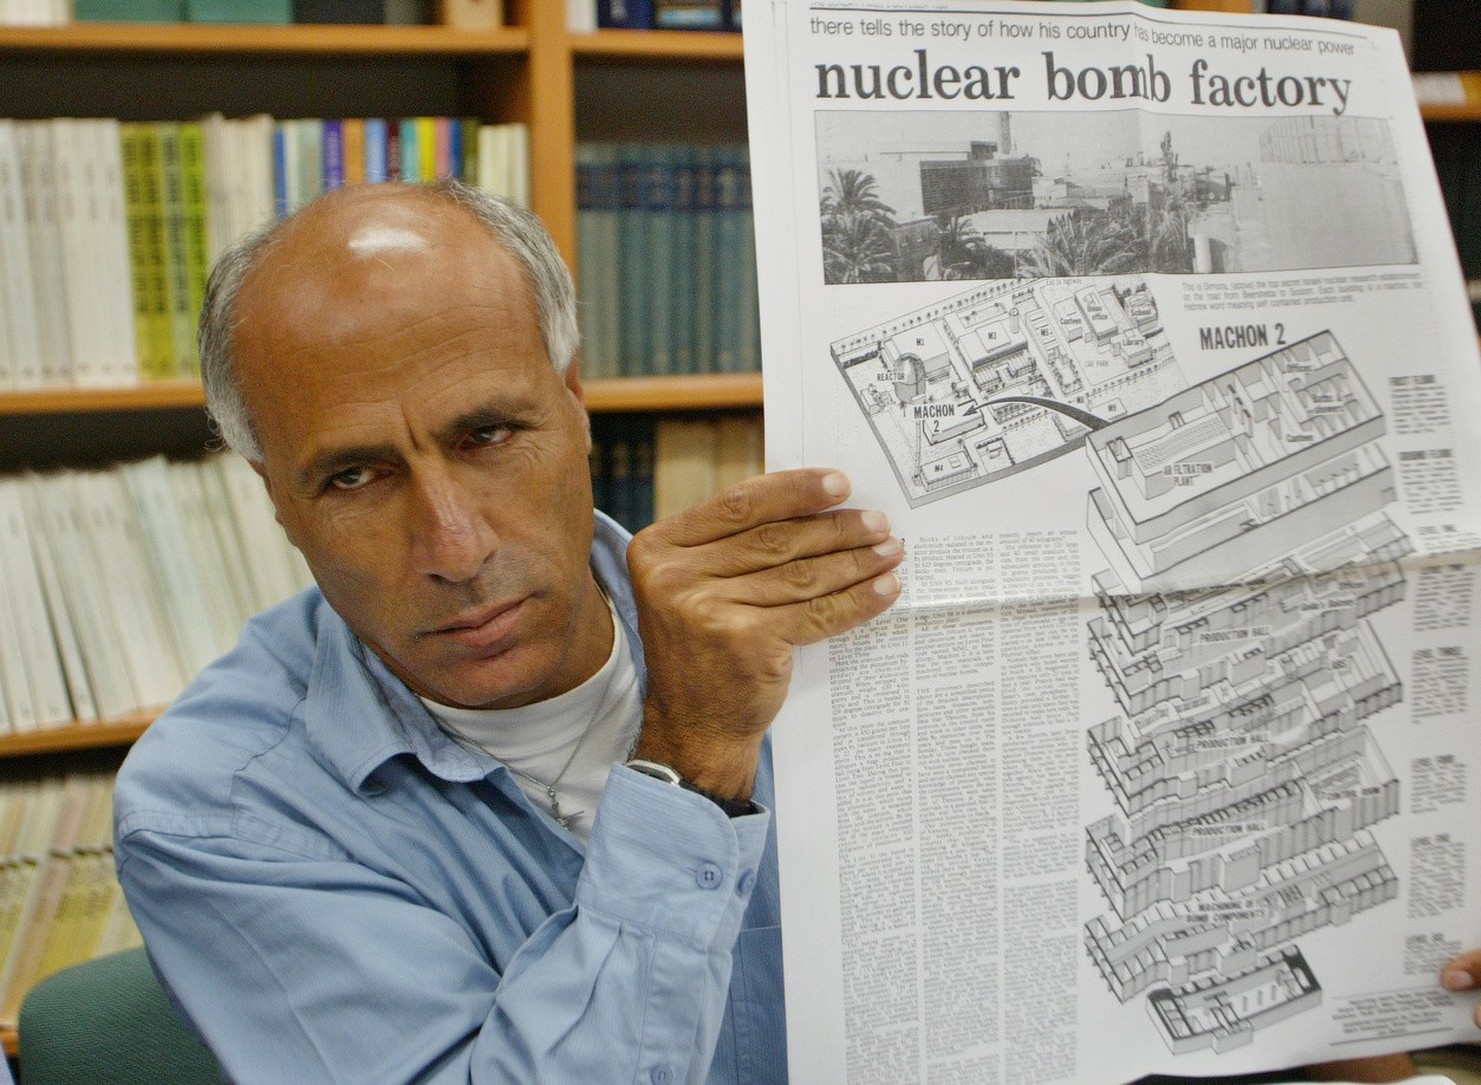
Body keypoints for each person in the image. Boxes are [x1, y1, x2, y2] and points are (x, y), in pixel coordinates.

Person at [113, 178, 904, 1083]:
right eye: (354, 477)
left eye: (487, 434)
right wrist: (690, 770)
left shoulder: (824, 625)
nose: (455, 548)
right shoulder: (216, 812)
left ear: (575, 400)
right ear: (275, 498)